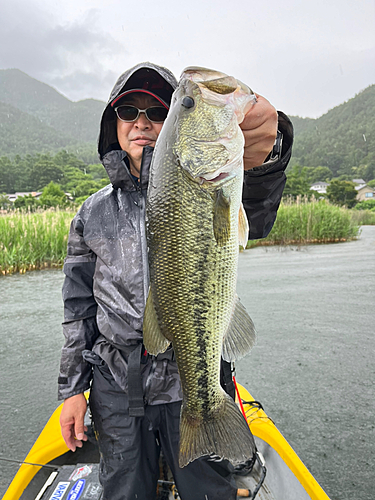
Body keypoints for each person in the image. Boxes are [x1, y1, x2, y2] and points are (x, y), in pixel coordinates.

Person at [58, 62, 294, 500]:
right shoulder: (91, 213)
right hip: (115, 385)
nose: (142, 122)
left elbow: (255, 211)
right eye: (129, 110)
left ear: (172, 128)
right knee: (125, 491)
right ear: (114, 125)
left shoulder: (212, 176)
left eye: (158, 109)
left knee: (207, 491)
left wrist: (271, 146)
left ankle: (208, 420)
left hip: (190, 379)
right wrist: (73, 391)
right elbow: (78, 309)